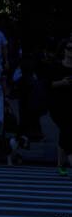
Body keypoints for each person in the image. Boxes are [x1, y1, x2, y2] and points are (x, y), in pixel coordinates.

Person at [44, 38, 72, 178]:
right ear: (64, 50)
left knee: (66, 132)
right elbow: (47, 84)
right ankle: (65, 163)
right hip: (57, 105)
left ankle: (60, 165)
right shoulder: (56, 66)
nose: (71, 52)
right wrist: (62, 83)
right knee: (66, 130)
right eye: (69, 48)